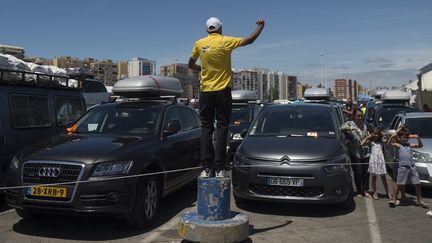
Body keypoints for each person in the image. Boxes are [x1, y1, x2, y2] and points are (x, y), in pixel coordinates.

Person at [188, 17, 265, 178]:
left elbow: (190, 65)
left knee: (206, 128)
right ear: (220, 29)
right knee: (222, 127)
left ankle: (206, 168)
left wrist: (202, 69)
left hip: (206, 92)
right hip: (223, 91)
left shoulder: (199, 43)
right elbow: (249, 40)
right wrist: (260, 26)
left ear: (207, 30)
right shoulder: (225, 41)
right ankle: (220, 168)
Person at [387, 126, 429, 208]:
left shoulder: (408, 145)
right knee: (399, 184)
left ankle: (420, 200)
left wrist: (418, 138)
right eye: (403, 138)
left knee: (417, 184)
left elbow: (420, 145)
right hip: (402, 167)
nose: (405, 139)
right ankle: (394, 200)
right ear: (399, 138)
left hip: (411, 167)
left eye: (406, 138)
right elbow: (388, 144)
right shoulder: (398, 145)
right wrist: (392, 136)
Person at [345, 109, 370, 197]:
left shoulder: (364, 126)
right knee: (358, 172)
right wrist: (353, 128)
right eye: (358, 116)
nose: (359, 118)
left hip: (365, 152)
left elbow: (367, 136)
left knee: (366, 172)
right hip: (355, 153)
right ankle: (359, 190)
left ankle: (365, 190)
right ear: (354, 116)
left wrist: (367, 140)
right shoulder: (350, 124)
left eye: (361, 116)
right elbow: (342, 128)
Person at [361, 127, 390, 199]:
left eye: (377, 134)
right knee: (374, 178)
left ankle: (387, 192)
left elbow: (388, 142)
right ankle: (375, 193)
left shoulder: (381, 141)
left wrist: (385, 135)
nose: (376, 135)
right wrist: (368, 136)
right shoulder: (370, 142)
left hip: (380, 160)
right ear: (372, 134)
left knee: (383, 177)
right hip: (373, 160)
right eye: (374, 134)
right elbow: (362, 143)